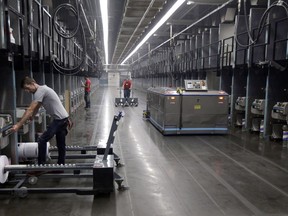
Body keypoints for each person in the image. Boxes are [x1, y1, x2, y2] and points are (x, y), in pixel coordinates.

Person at [11, 76, 73, 165]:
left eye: (27, 88)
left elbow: (30, 109)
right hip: (64, 118)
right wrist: (32, 116)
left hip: (59, 120)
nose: (28, 91)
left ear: (33, 84)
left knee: (42, 140)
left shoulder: (39, 91)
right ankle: (61, 165)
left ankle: (41, 166)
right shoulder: (43, 89)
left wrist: (18, 125)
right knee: (60, 144)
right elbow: (37, 106)